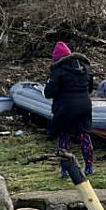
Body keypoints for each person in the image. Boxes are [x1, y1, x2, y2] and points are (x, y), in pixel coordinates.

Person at [44, 41, 95, 176]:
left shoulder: (58, 70)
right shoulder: (85, 67)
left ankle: (65, 169)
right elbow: (90, 88)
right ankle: (89, 166)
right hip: (85, 106)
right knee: (84, 134)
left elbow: (48, 93)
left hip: (65, 108)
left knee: (64, 136)